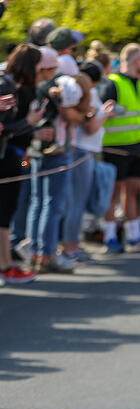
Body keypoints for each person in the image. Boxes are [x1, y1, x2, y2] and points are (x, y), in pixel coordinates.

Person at [100, 43, 140, 253]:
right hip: (115, 147)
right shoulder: (112, 82)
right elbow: (103, 108)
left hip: (137, 146)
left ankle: (134, 235)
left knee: (133, 191)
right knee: (112, 193)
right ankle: (109, 236)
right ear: (135, 60)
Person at [1, 44, 49, 283]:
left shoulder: (13, 85)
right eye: (39, 64)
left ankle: (7, 264)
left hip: (12, 155)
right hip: (8, 157)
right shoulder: (6, 86)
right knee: (5, 211)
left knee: (6, 211)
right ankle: (6, 266)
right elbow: (3, 128)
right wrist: (29, 123)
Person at [61, 62, 116, 264]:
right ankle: (70, 248)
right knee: (77, 202)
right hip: (81, 151)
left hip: (78, 150)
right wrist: (105, 114)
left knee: (70, 202)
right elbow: (91, 126)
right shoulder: (88, 93)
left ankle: (69, 246)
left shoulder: (81, 90)